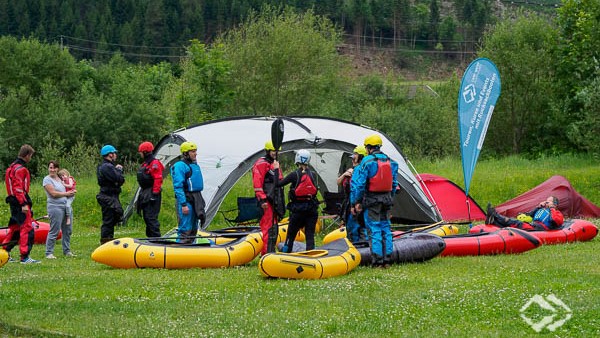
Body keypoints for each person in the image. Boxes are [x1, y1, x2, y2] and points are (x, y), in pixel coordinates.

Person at [350, 134, 399, 268]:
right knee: (386, 227)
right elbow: (394, 183)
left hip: (372, 200)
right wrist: (390, 197)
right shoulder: (391, 161)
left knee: (374, 228)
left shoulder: (367, 161)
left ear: (369, 148)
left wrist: (356, 201)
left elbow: (360, 185)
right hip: (387, 199)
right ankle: (387, 259)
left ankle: (377, 261)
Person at [2, 144, 39, 264]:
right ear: (27, 155)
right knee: (27, 228)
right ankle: (25, 257)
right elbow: (18, 188)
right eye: (31, 156)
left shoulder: (11, 167)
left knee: (15, 228)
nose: (30, 158)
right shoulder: (21, 169)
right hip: (19, 202)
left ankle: (5, 252)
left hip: (13, 202)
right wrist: (23, 204)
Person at [278, 149, 319, 253]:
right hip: (312, 209)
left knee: (291, 235)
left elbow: (279, 184)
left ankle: (286, 253)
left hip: (298, 210)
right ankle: (311, 255)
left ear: (298, 159)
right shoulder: (313, 174)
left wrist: (276, 170)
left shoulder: (294, 175)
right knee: (310, 234)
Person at [252, 140, 284, 255]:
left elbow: (279, 182)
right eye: (273, 151)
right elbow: (257, 183)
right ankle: (266, 253)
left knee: (274, 228)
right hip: (266, 201)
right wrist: (262, 199)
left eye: (277, 151)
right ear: (268, 151)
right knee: (268, 228)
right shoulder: (261, 163)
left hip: (274, 201)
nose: (275, 153)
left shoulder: (275, 164)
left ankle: (271, 251)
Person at [171, 141, 206, 243]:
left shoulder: (194, 165)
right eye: (192, 151)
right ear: (185, 153)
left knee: (194, 228)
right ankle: (179, 251)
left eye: (195, 151)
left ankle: (191, 252)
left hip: (196, 199)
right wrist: (183, 204)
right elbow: (178, 186)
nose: (195, 154)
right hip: (186, 200)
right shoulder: (180, 166)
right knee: (185, 229)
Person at [43, 161, 77, 259]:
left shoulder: (61, 178)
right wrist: (67, 194)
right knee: (55, 230)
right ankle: (49, 252)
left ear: (57, 169)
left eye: (54, 168)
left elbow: (69, 186)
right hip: (55, 207)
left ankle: (67, 251)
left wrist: (72, 191)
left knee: (68, 230)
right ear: (48, 168)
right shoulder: (47, 179)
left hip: (66, 206)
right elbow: (53, 193)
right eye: (50, 167)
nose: (52, 170)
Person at [337, 145, 368, 243]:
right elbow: (338, 182)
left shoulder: (361, 170)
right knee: (352, 228)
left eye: (355, 157)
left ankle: (360, 248)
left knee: (356, 228)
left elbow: (358, 188)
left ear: (361, 157)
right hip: (349, 203)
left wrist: (354, 204)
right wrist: (345, 174)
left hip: (356, 204)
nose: (352, 160)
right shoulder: (352, 171)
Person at [96, 144, 125, 244]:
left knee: (113, 218)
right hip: (108, 196)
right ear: (110, 155)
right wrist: (119, 170)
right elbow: (120, 179)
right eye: (114, 153)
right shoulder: (107, 167)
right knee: (108, 220)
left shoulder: (104, 166)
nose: (116, 155)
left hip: (109, 195)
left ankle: (108, 240)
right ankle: (105, 242)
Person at [486, 196, 564, 230]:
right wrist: (538, 207)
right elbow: (528, 214)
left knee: (517, 223)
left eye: (549, 201)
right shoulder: (541, 209)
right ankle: (493, 221)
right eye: (546, 200)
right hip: (532, 225)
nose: (546, 202)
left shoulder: (557, 213)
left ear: (554, 204)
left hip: (539, 228)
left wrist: (552, 208)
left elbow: (555, 220)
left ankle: (495, 215)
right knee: (515, 221)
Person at [136, 141, 165, 238]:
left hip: (152, 193)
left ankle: (157, 239)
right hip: (145, 192)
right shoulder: (145, 164)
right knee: (147, 218)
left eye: (140, 152)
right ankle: (151, 238)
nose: (139, 154)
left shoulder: (154, 163)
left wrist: (155, 194)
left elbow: (158, 178)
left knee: (151, 218)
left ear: (144, 152)